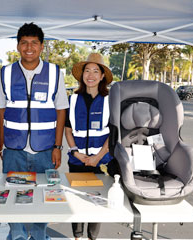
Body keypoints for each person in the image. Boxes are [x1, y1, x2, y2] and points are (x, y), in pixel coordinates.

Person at [0, 22, 69, 240]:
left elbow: (61, 111)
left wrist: (58, 147)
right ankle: (17, 236)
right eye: (24, 43)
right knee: (12, 196)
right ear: (18, 46)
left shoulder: (55, 73)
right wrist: (2, 144)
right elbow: (1, 111)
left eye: (34, 43)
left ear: (41, 46)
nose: (29, 47)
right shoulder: (6, 73)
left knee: (45, 197)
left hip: (45, 150)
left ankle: (39, 235)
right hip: (14, 150)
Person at [65, 53, 114, 240]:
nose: (91, 75)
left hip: (101, 162)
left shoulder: (110, 100)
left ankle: (92, 237)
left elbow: (113, 133)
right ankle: (77, 237)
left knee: (97, 202)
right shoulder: (73, 99)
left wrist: (98, 157)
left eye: (96, 71)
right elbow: (68, 130)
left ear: (102, 76)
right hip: (77, 161)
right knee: (76, 200)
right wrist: (76, 153)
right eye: (87, 70)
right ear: (82, 75)